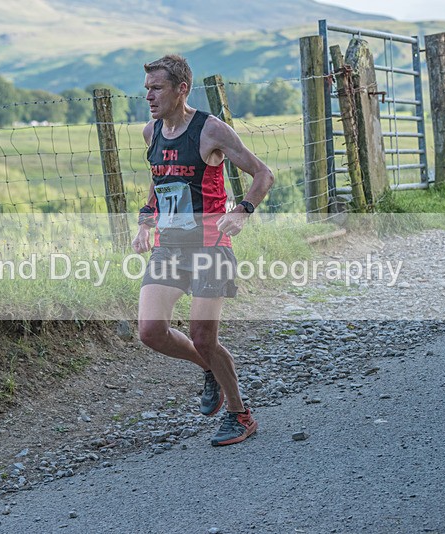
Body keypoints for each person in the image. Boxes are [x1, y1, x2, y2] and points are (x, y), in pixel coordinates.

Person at [132, 54, 274, 446]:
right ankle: (209, 368)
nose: (149, 96)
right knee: (150, 331)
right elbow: (159, 178)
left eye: (156, 88)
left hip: (211, 246)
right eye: (146, 89)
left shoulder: (211, 131)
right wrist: (146, 221)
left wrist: (243, 211)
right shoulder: (152, 132)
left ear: (182, 89)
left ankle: (240, 414)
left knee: (203, 336)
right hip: (169, 248)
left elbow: (264, 174)